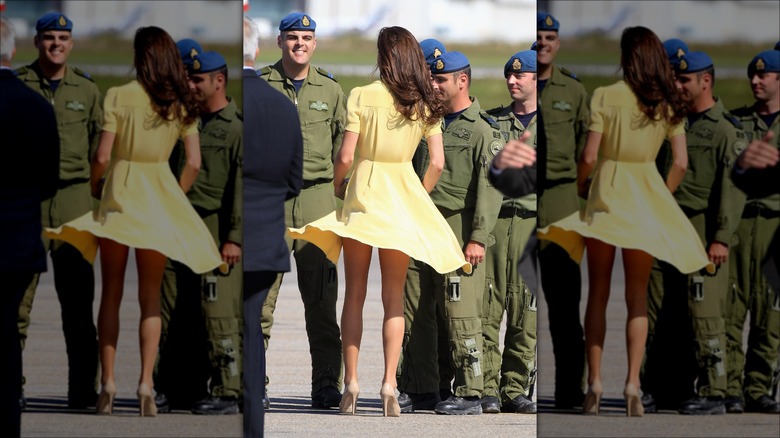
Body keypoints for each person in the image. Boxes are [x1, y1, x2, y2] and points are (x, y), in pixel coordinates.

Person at [44, 26, 228, 417]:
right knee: (150, 299)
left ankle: (108, 382)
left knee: (111, 293)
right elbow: (193, 162)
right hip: (158, 198)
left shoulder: (119, 95)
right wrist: (173, 194)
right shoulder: (179, 103)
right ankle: (146, 384)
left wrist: (97, 187)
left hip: (120, 196)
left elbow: (102, 156)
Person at [291, 27, 472, 417]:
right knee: (394, 300)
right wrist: (416, 195)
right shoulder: (424, 102)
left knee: (354, 294)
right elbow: (437, 163)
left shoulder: (362, 95)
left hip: (364, 196)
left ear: (382, 56)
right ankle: (389, 383)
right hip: (401, 196)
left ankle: (351, 382)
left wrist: (340, 187)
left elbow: (345, 156)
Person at [540, 26, 715, 417]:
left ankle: (596, 383)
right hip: (644, 198)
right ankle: (633, 385)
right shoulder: (668, 102)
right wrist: (659, 196)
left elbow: (588, 155)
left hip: (607, 196)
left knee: (598, 293)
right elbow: (681, 163)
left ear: (626, 57)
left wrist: (584, 186)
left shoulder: (606, 95)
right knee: (637, 297)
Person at [396, 50, 504, 416]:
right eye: (431, 79)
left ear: (462, 81)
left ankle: (471, 393)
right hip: (420, 228)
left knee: (461, 312)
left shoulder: (481, 130)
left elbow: (491, 192)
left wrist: (478, 238)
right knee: (419, 310)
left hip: (458, 231)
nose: (434, 86)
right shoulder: (426, 123)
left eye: (441, 80)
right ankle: (423, 386)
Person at [642, 51, 747, 415]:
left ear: (706, 81)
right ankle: (661, 387)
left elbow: (731, 193)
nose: (676, 86)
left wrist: (721, 238)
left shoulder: (724, 131)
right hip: (663, 230)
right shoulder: (672, 124)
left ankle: (715, 392)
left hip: (700, 231)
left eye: (684, 80)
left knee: (704, 314)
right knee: (659, 313)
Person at [257, 12, 346, 409]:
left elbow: (344, 147)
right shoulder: (260, 86)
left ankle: (327, 385)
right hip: (271, 201)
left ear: (315, 43)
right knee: (259, 302)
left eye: (307, 38)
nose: (299, 44)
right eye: (292, 37)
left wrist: (338, 203)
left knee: (323, 304)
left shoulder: (331, 89)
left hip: (317, 201)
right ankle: (253, 381)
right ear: (279, 42)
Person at [14, 12, 102, 410]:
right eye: (49, 37)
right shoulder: (19, 85)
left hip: (73, 202)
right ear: (36, 42)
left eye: (63, 37)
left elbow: (100, 149)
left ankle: (82, 391)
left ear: (71, 43)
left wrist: (94, 205)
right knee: (16, 305)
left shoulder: (86, 89)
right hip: (27, 202)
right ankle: (11, 386)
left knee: (78, 306)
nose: (56, 44)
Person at [154, 49, 244, 415]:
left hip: (215, 231)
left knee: (218, 314)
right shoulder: (183, 124)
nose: (188, 85)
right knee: (173, 312)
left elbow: (240, 189)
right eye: (186, 79)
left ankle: (228, 391)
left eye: (196, 80)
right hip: (178, 229)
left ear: (218, 81)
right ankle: (177, 388)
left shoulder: (237, 128)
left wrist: (234, 237)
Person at [242, 15, 303, 436]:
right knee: (249, 329)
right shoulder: (282, 104)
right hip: (267, 237)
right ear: (259, 50)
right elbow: (294, 179)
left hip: (225, 237)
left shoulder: (223, 104)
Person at [1, 16, 59, 437]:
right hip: (18, 242)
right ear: (14, 51)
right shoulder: (36, 105)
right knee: (7, 333)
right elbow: (49, 180)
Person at [535, 11, 591, 409]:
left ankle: (570, 390)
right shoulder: (516, 84)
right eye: (537, 36)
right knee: (518, 305)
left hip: (562, 203)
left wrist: (579, 198)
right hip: (521, 204)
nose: (543, 42)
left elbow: (588, 150)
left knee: (565, 306)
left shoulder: (573, 91)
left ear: (558, 43)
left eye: (550, 36)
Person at [481, 49, 539, 414]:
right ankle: (486, 388)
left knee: (525, 311)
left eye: (521, 76)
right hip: (498, 224)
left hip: (533, 225)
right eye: (509, 76)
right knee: (488, 307)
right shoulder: (492, 123)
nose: (513, 81)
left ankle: (514, 389)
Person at [725, 48, 780, 414]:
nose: (755, 81)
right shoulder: (737, 122)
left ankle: (759, 388)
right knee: (731, 307)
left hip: (775, 225)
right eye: (752, 75)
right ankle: (728, 387)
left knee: (769, 312)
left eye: (764, 75)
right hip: (740, 225)